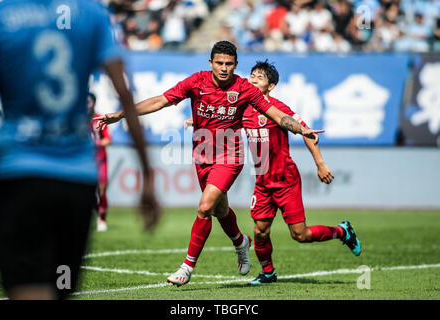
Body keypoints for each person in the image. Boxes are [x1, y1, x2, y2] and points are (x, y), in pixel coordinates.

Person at [96, 40, 323, 287]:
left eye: (229, 64)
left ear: (236, 65)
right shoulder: (196, 82)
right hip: (202, 155)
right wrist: (121, 114)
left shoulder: (246, 89)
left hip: (230, 157)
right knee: (220, 210)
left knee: (205, 207)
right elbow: (160, 101)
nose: (224, 68)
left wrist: (301, 129)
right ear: (211, 63)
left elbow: (276, 115)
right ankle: (240, 242)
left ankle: (187, 267)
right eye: (219, 63)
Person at [0, 0, 160, 300]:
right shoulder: (91, 14)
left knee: (25, 288)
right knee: (61, 287)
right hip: (76, 181)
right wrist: (148, 176)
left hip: (19, 174)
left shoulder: (0, 17)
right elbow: (125, 95)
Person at [243, 60, 361, 284]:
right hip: (262, 181)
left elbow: (307, 132)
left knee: (300, 235)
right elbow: (223, 121)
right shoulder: (243, 108)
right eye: (252, 75)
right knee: (260, 232)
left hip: (285, 179)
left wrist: (320, 163)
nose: (253, 79)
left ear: (271, 86)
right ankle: (268, 272)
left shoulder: (277, 109)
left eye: (260, 77)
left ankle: (342, 231)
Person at [88, 93, 111, 232]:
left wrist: (95, 143)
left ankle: (102, 219)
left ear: (94, 103)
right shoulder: (78, 119)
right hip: (84, 162)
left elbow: (108, 140)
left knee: (101, 190)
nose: (86, 104)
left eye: (89, 102)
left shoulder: (99, 119)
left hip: (100, 160)